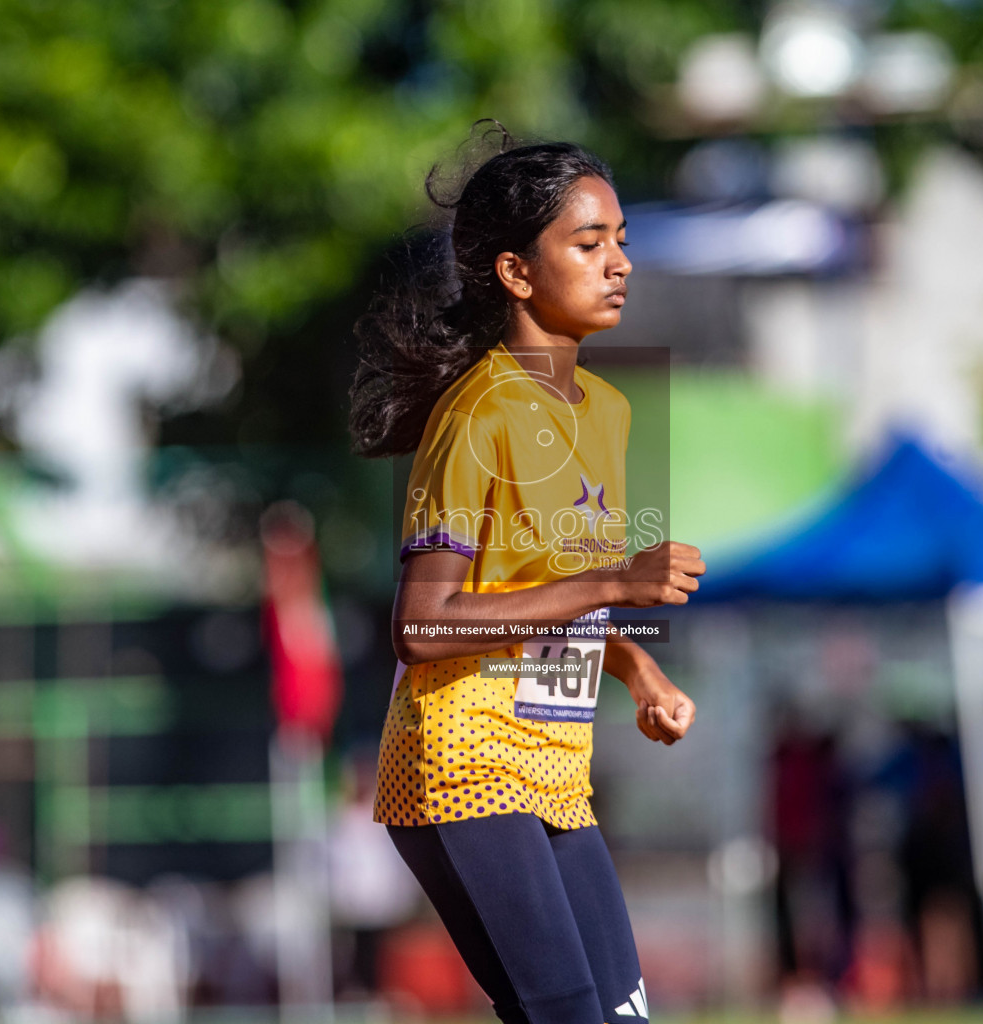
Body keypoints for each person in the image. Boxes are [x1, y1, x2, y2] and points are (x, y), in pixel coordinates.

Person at [347, 121, 707, 1024]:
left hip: (555, 763)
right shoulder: (478, 413)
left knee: (621, 1016)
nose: (617, 262)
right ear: (515, 271)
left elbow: (552, 593)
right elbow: (423, 626)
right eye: (588, 244)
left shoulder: (613, 412)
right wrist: (615, 583)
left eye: (621, 241)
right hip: (462, 758)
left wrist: (636, 666)